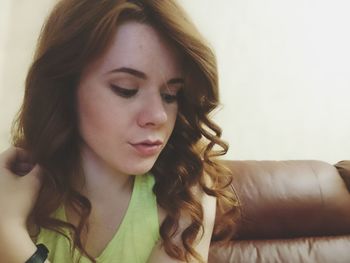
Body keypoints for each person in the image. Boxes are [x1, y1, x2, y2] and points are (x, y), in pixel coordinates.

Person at [0, 0, 238, 262]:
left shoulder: (186, 191)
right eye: (126, 89)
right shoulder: (16, 189)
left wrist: (9, 235)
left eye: (171, 94)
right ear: (65, 88)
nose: (158, 116)